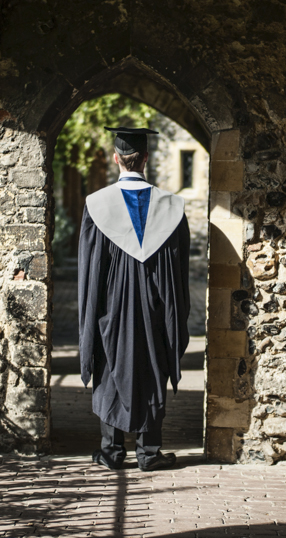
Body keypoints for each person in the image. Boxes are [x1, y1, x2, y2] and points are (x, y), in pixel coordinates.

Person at [78, 126, 190, 471]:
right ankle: (149, 452)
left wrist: (93, 314)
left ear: (116, 159)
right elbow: (180, 270)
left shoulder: (97, 205)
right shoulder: (171, 207)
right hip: (156, 304)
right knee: (152, 367)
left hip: (110, 305)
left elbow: (90, 270)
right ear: (146, 159)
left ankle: (111, 451)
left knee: (110, 366)